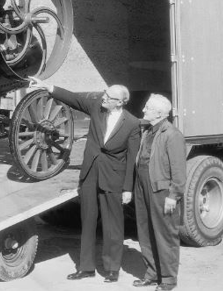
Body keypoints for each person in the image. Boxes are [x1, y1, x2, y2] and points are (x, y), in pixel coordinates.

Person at [28, 76, 141, 283]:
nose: (104, 97)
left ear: (120, 102)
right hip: (90, 175)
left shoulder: (132, 124)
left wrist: (128, 189)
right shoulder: (97, 107)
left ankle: (112, 268)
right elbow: (73, 99)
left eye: (109, 96)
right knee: (87, 223)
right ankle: (86, 267)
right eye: (105, 94)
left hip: (113, 179)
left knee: (112, 225)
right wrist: (49, 86)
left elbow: (132, 158)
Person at [132, 94, 186, 291]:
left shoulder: (172, 135)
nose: (144, 109)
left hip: (161, 190)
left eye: (148, 107)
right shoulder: (148, 130)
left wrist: (173, 196)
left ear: (160, 113)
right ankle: (152, 274)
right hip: (142, 186)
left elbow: (179, 171)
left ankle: (168, 280)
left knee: (165, 235)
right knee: (145, 232)